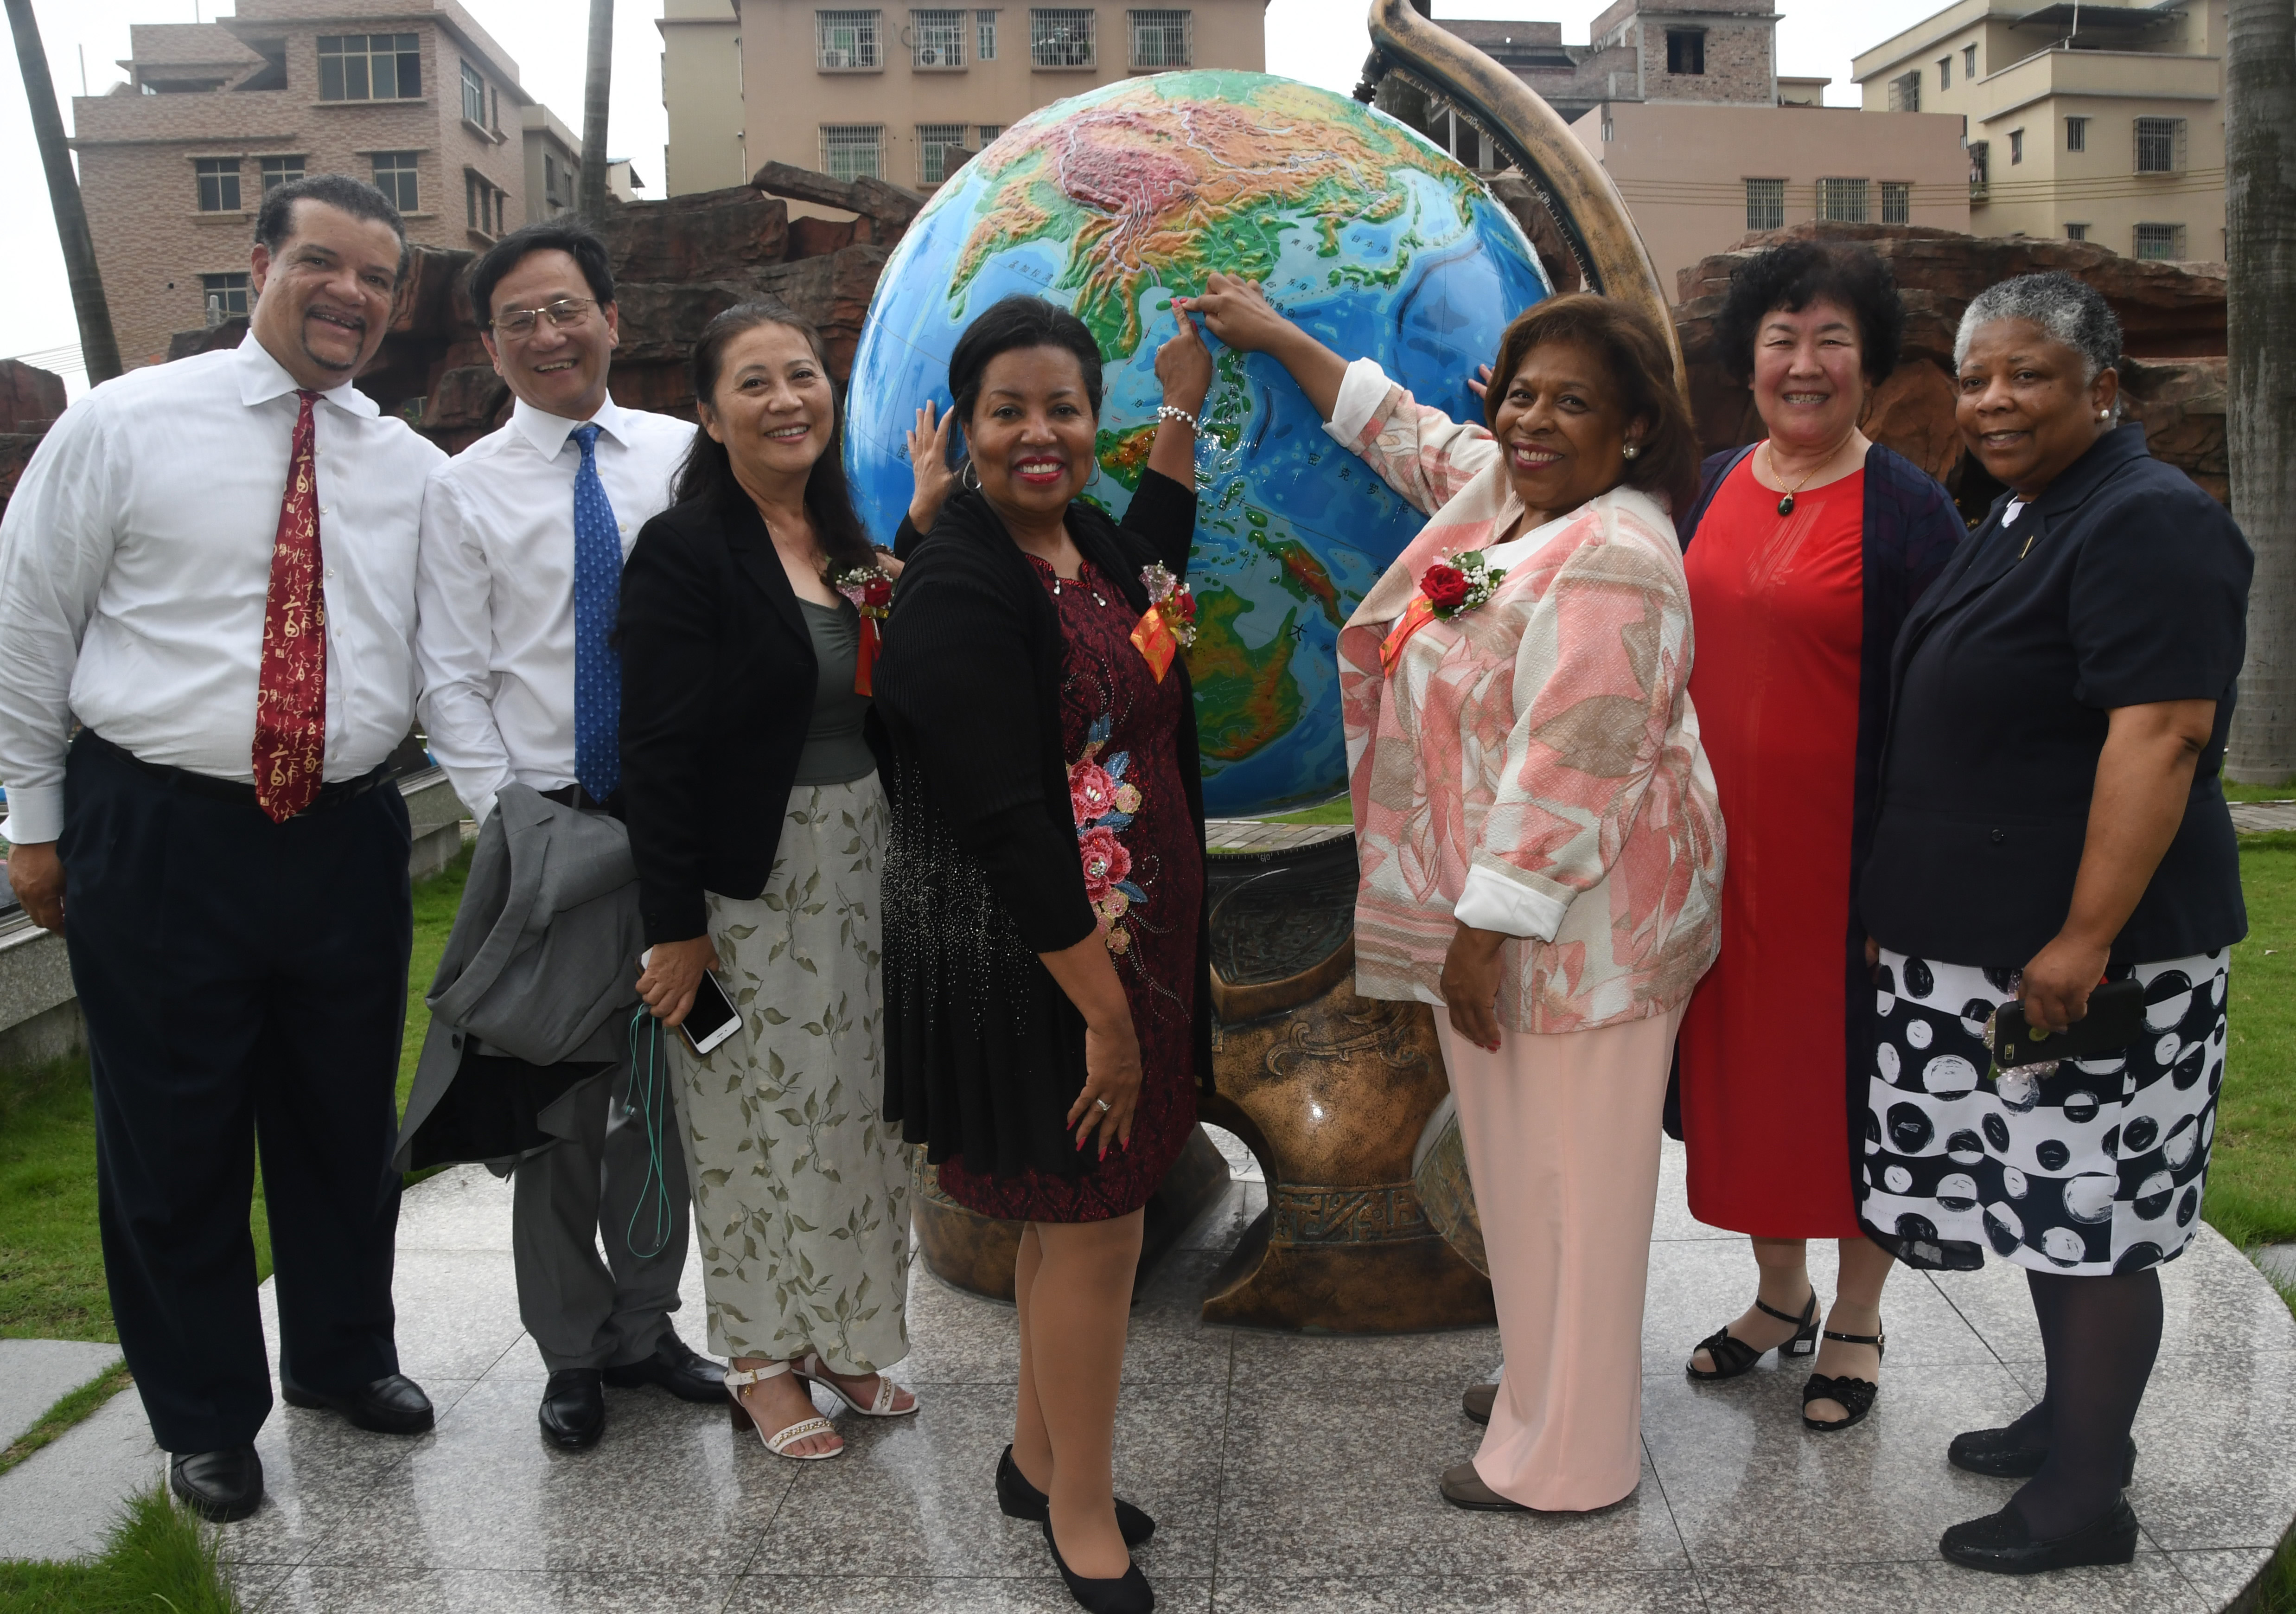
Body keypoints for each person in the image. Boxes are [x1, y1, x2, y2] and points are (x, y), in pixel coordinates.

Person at [1183, 276, 1723, 1513]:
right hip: (1490, 917)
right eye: (1522, 394)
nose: (1534, 422)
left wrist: (1482, 936)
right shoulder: (1515, 498)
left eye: (1571, 402)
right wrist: (1277, 341)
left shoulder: (1618, 556)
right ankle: (1544, 1383)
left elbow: (1574, 759)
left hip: (1579, 933)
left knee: (1573, 1189)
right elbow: (1413, 433)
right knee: (1519, 1170)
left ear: (1632, 426)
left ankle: (1574, 1459)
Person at [0, 175, 443, 1522]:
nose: (349, 295)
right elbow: (28, 619)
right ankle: (203, 1414)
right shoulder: (128, 426)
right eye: (322, 262)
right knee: (176, 1139)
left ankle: (341, 1358)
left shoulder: (408, 464)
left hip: (347, 835)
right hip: (161, 828)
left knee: (339, 1125)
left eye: (375, 277)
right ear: (260, 265)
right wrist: (31, 823)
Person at [1857, 273, 2250, 1572]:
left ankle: (2089, 1498)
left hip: (2093, 959)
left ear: (2105, 388)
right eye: (1975, 378)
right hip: (1995, 944)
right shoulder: (2034, 507)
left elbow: (2164, 733)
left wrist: (2083, 936)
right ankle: (2076, 1421)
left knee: (2087, 1214)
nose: (1992, 401)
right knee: (2042, 1200)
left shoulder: (2149, 522)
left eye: (2027, 374)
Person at [877, 294, 1212, 1614]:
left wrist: (1182, 405)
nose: (1039, 434)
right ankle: (1079, 1514)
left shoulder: (1089, 545)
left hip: (1137, 945)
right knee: (1094, 1232)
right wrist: (1110, 1020)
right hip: (1050, 971)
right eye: (1007, 411)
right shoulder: (964, 582)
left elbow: (1163, 571)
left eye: (1063, 409)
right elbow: (1009, 829)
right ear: (966, 429)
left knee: (1072, 1220)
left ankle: (1035, 1458)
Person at [411, 220, 723, 1450]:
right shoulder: (465, 487)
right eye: (519, 320)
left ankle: (649, 1327)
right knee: (554, 1106)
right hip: (549, 830)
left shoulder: (689, 457)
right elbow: (452, 682)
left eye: (567, 309)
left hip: (681, 829)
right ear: (492, 344)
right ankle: (570, 1351)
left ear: (611, 317)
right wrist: (520, 830)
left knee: (667, 1090)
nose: (548, 335)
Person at [1670, 242, 1964, 1430]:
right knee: (1744, 1089)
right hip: (1713, 866)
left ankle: (1855, 1316)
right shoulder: (1707, 481)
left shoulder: (1910, 509)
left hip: (1842, 875)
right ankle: (1777, 1293)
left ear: (1869, 365)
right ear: (1748, 361)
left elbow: (1943, 715)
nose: (1805, 364)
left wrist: (1900, 894)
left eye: (1831, 340)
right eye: (1783, 339)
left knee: (1851, 1089)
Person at [619, 300, 918, 1463]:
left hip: (871, 863)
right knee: (754, 1120)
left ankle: (844, 1340)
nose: (787, 399)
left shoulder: (850, 538)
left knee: (859, 1121)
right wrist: (674, 932)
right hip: (749, 888)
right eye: (754, 382)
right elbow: (655, 756)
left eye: (803, 375)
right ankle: (757, 1357)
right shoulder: (685, 551)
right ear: (707, 413)